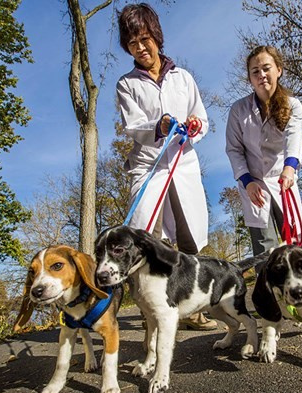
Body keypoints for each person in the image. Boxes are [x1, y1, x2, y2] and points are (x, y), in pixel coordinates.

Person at [116, 3, 216, 330]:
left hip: (182, 166)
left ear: (157, 37)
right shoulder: (126, 84)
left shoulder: (183, 78)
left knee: (190, 238)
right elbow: (133, 126)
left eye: (145, 39)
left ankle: (195, 308)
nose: (141, 48)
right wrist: (159, 127)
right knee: (148, 238)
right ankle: (152, 315)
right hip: (148, 167)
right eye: (132, 43)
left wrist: (194, 126)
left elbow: (201, 117)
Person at [225, 45, 302, 257]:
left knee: (297, 247)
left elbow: (294, 138)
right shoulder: (238, 110)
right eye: (255, 71)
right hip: (253, 184)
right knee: (265, 250)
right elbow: (234, 149)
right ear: (250, 78)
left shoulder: (293, 105)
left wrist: (290, 168)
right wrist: (247, 181)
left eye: (266, 68)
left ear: (278, 70)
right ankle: (269, 289)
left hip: (283, 181)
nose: (261, 75)